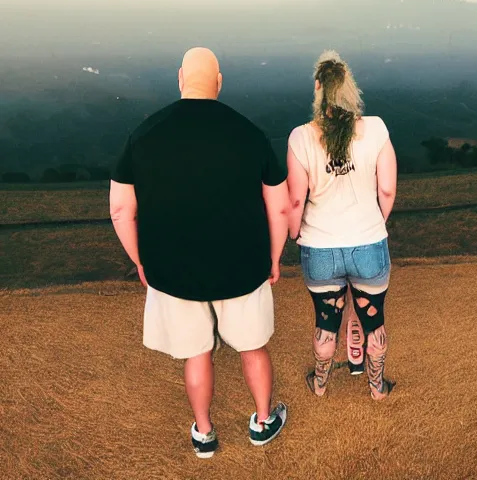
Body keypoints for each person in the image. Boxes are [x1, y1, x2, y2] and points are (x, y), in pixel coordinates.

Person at [109, 47, 289, 458]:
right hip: (243, 264)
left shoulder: (144, 134)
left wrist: (140, 260)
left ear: (180, 79)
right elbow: (279, 205)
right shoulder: (249, 132)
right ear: (219, 82)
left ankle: (204, 433)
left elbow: (121, 208)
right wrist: (275, 257)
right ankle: (263, 421)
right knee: (252, 345)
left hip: (172, 269)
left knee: (195, 352)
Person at [286, 50, 397, 400]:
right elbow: (388, 189)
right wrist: (375, 222)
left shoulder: (301, 137)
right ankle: (377, 388)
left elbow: (294, 201)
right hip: (368, 244)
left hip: (320, 248)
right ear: (350, 88)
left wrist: (294, 233)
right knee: (373, 320)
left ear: (318, 88)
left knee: (325, 322)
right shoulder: (376, 129)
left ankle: (320, 384)